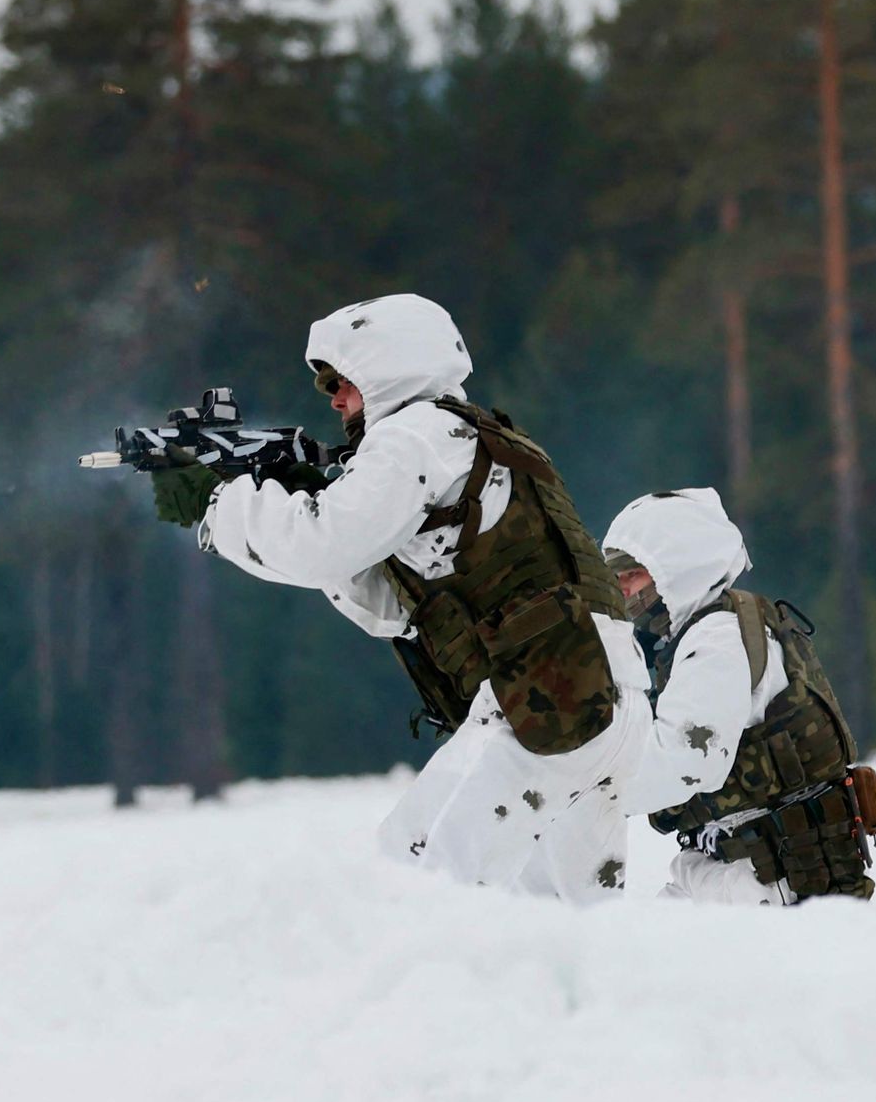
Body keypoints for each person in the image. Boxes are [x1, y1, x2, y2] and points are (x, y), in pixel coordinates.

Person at [172, 295, 646, 903]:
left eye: (341, 380)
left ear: (387, 366)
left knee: (412, 891)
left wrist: (230, 506)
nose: (335, 399)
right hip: (598, 693)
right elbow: (394, 608)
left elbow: (321, 544)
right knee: (561, 918)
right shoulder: (472, 434)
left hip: (549, 699)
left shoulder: (413, 436)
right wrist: (305, 497)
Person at [600, 488, 876, 904]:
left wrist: (583, 790)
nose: (623, 591)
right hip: (732, 865)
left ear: (678, 568)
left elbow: (686, 763)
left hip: (770, 878)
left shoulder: (718, 642)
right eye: (616, 578)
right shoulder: (698, 634)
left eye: (633, 574)